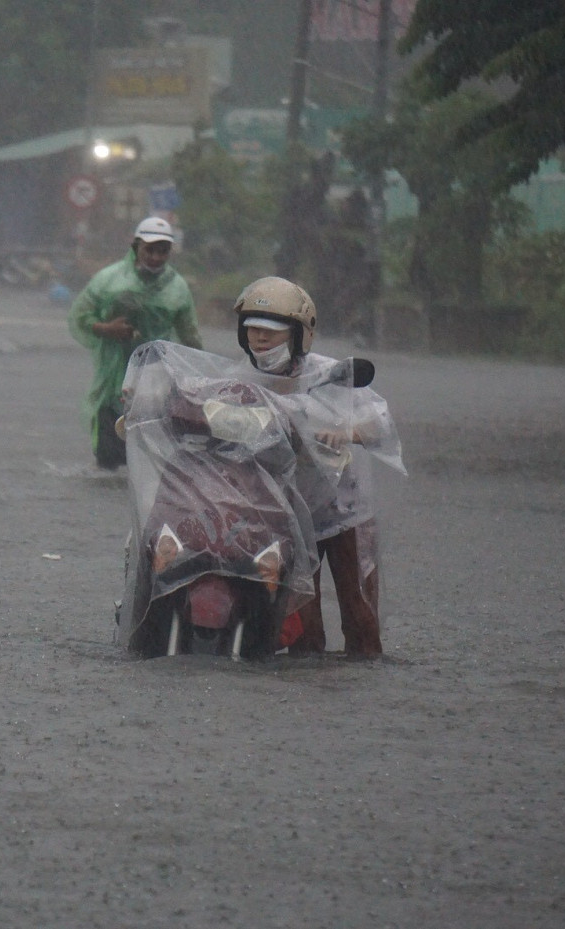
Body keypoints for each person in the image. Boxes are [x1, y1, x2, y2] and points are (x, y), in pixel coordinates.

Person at [233, 276, 400, 657]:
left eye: (271, 332)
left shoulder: (331, 375)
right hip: (288, 515)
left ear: (298, 335)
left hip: (346, 512)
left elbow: (381, 422)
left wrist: (348, 431)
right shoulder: (239, 381)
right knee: (301, 630)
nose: (260, 339)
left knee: (361, 619)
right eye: (253, 330)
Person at [68, 216, 202, 469]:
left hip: (156, 376)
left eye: (162, 251)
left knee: (149, 454)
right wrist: (107, 328)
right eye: (149, 249)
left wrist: (194, 378)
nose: (155, 257)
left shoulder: (177, 288)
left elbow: (190, 336)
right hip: (113, 379)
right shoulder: (109, 280)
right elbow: (80, 317)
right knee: (108, 456)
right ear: (136, 247)